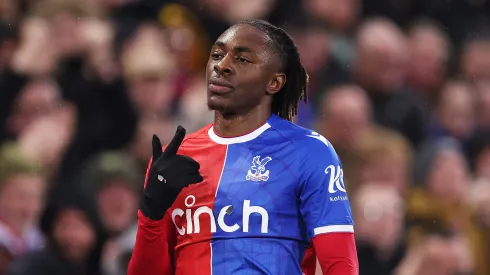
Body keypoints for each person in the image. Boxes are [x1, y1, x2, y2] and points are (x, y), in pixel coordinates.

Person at [128, 19, 358, 275]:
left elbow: (340, 265)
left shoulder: (310, 152)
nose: (222, 65)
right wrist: (151, 213)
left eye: (243, 59)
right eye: (216, 55)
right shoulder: (175, 159)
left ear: (274, 83)